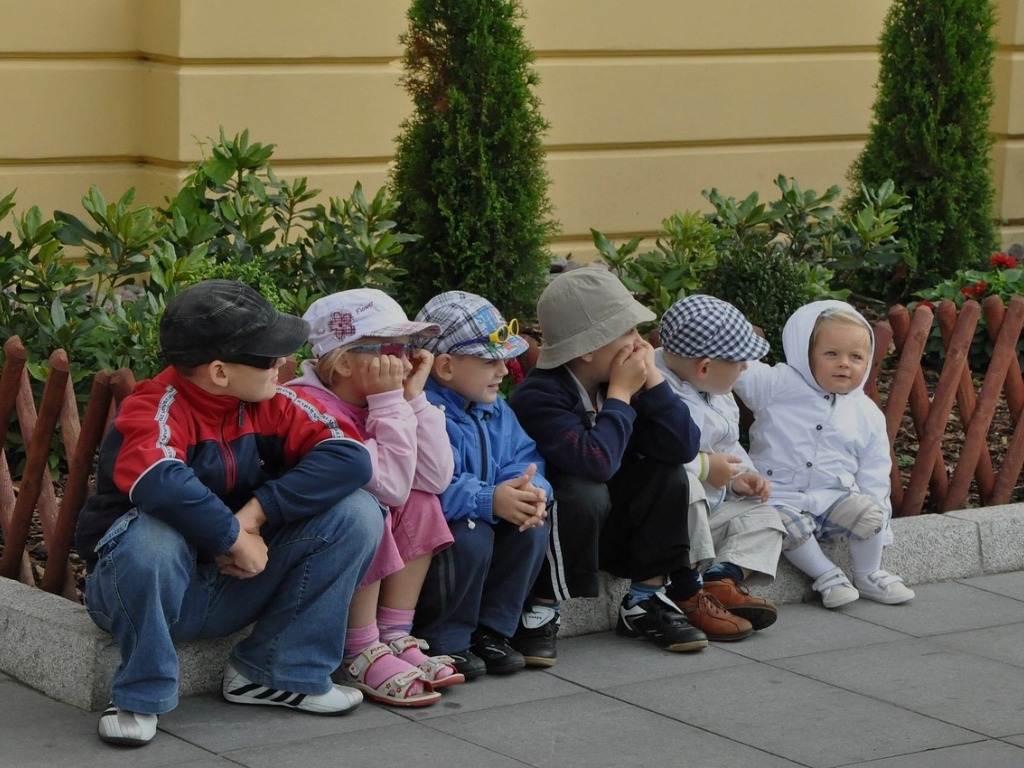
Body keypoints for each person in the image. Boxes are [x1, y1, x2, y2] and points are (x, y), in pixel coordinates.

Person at [74, 279, 386, 747]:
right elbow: (158, 478)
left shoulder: (271, 401)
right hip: (143, 598)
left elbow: (349, 456)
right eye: (268, 356)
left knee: (358, 511)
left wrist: (253, 518)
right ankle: (140, 694)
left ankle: (276, 672)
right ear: (220, 372)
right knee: (152, 535)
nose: (282, 363)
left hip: (238, 584)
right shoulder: (153, 406)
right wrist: (230, 536)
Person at [509, 267, 711, 663]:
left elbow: (684, 445)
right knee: (581, 490)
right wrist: (620, 395)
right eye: (629, 333)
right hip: (554, 533)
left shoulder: (623, 382)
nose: (639, 345)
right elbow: (594, 463)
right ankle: (541, 608)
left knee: (667, 474)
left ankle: (643, 602)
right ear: (588, 346)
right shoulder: (540, 396)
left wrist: (654, 383)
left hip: (611, 530)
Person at [287, 288, 461, 707]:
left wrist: (413, 397)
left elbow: (434, 478)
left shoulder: (375, 398)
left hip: (345, 543)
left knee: (423, 503)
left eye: (408, 348)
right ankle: (360, 648)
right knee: (372, 503)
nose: (403, 361)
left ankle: (394, 634)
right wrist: (389, 402)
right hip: (301, 554)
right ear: (345, 361)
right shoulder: (309, 406)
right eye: (389, 348)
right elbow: (388, 486)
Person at [732, 299, 915, 608]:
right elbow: (738, 369)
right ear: (806, 354)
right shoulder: (776, 385)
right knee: (785, 524)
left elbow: (874, 471)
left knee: (869, 512)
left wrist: (882, 528)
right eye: (831, 354)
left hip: (833, 498)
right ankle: (827, 575)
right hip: (779, 495)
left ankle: (869, 573)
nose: (844, 363)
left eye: (856, 357)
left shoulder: (865, 412)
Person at [410, 291, 551, 679]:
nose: (504, 371)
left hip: (488, 510)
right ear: (446, 367)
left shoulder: (495, 407)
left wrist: (528, 489)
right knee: (470, 536)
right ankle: (444, 639)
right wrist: (490, 499)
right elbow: (428, 486)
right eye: (490, 361)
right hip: (449, 528)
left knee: (532, 525)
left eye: (505, 360)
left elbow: (524, 455)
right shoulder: (423, 409)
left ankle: (491, 632)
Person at [655, 295, 786, 635]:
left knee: (767, 518)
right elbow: (650, 457)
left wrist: (742, 474)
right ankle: (689, 591)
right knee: (688, 488)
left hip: (711, 515)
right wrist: (703, 467)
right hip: (674, 528)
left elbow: (727, 443)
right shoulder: (657, 393)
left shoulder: (717, 388)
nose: (745, 368)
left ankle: (722, 578)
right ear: (704, 366)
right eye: (740, 361)